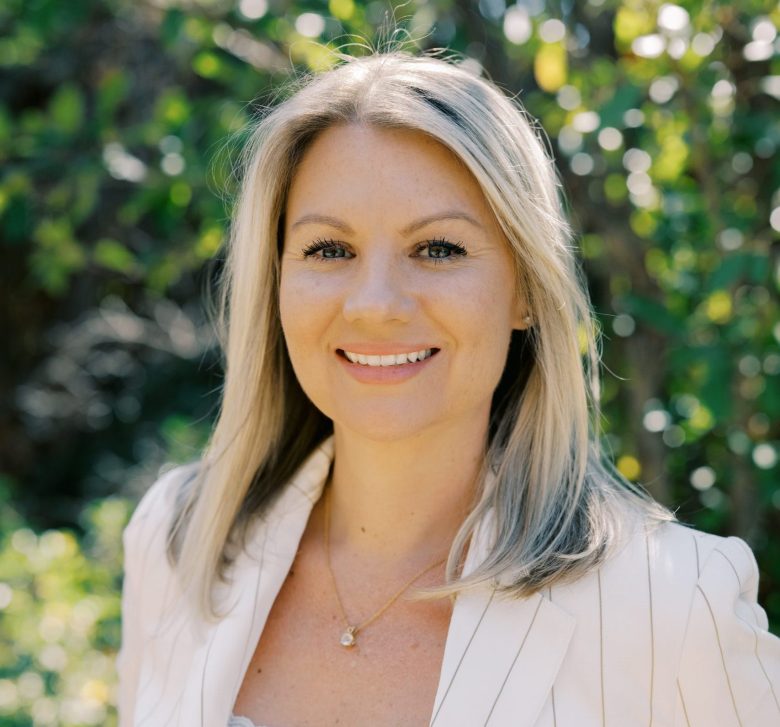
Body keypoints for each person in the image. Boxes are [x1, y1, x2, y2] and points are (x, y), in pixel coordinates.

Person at [116, 50, 780, 727]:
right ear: (276, 279)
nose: (375, 304)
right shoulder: (176, 541)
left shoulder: (674, 602)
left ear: (525, 287)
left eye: (438, 248)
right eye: (329, 249)